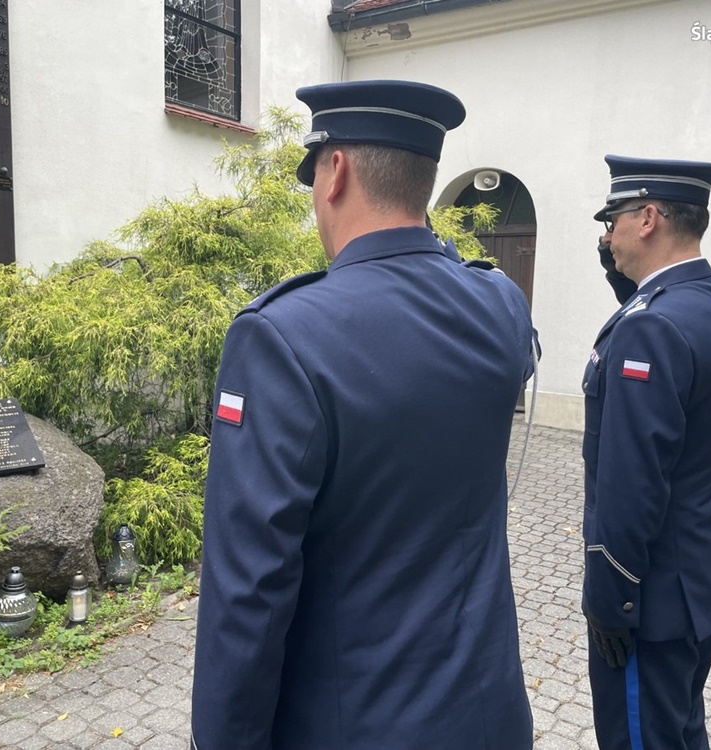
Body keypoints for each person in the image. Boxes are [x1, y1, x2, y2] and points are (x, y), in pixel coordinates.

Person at [190, 79, 537, 750]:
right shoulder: (499, 305)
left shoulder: (281, 337)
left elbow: (249, 596)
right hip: (488, 716)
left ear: (336, 171)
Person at [581, 154, 711, 749]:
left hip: (648, 600)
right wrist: (628, 292)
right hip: (699, 579)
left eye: (613, 219)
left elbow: (632, 481)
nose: (608, 235)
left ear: (649, 217)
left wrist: (613, 595)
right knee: (679, 730)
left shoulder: (649, 326)